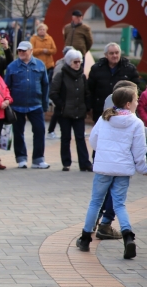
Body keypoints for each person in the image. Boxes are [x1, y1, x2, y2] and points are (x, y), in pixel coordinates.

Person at [76, 87, 147, 259]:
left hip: (104, 168)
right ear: (129, 104)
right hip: (123, 169)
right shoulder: (136, 123)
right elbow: (139, 150)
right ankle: (128, 237)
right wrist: (143, 169)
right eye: (136, 100)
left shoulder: (105, 118)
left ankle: (85, 238)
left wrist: (103, 153)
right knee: (120, 204)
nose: (138, 103)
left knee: (95, 202)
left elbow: (93, 139)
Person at [4, 41, 50, 169]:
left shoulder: (40, 65)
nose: (21, 53)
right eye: (19, 51)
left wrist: (45, 104)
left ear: (31, 51)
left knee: (40, 130)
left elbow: (45, 85)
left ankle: (38, 160)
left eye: (24, 50)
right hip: (17, 105)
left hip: (36, 105)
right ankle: (21, 159)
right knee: (18, 132)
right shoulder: (12, 67)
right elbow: (6, 86)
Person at [49, 49, 92, 172]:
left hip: (79, 112)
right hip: (65, 113)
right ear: (69, 62)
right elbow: (53, 93)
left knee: (80, 137)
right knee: (65, 137)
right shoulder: (61, 75)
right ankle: (66, 162)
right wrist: (62, 105)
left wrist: (87, 107)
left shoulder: (82, 76)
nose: (78, 64)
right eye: (75, 62)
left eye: (79, 62)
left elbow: (87, 93)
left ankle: (85, 163)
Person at [88, 43, 140, 124]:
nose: (114, 55)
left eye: (117, 53)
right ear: (106, 55)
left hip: (124, 111)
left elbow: (136, 89)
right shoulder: (97, 69)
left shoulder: (129, 69)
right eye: (111, 53)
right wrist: (89, 107)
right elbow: (90, 89)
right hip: (101, 109)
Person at [47, 46, 75, 139]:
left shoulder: (69, 64)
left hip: (67, 95)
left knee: (57, 113)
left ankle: (51, 130)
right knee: (57, 113)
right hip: (60, 94)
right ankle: (51, 131)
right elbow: (55, 80)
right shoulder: (60, 66)